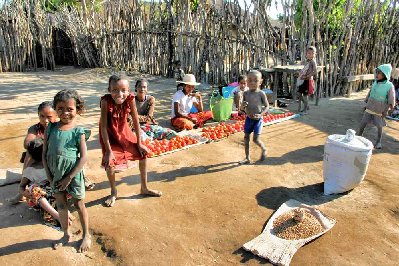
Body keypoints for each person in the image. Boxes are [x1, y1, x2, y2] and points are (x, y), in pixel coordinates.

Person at [100, 75, 162, 208]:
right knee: (109, 162)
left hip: (125, 131)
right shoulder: (105, 102)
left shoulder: (131, 99)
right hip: (110, 135)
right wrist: (108, 151)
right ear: (109, 90)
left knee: (143, 153)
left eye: (123, 90)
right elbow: (103, 127)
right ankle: (113, 192)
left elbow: (135, 122)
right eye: (115, 90)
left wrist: (139, 143)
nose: (119, 94)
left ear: (129, 91)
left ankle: (144, 188)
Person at [43, 89, 91, 252]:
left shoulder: (79, 131)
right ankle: (66, 234)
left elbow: (83, 157)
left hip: (73, 175)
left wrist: (69, 177)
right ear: (55, 109)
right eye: (60, 109)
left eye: (70, 109)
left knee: (79, 204)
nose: (65, 113)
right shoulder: (50, 128)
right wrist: (49, 175)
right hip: (55, 173)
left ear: (78, 109)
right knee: (61, 205)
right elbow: (44, 154)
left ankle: (86, 235)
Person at [9, 138, 73, 227]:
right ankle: (57, 215)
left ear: (30, 155)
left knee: (36, 188)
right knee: (34, 189)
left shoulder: (52, 165)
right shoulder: (30, 170)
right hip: (42, 200)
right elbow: (21, 187)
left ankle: (62, 210)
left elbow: (21, 187)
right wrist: (25, 193)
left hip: (56, 195)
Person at [357, 64, 396, 149]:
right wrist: (366, 103)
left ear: (385, 74)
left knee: (379, 126)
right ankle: (358, 137)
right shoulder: (375, 82)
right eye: (377, 72)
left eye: (379, 73)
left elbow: (391, 98)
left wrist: (388, 110)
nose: (377, 74)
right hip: (370, 108)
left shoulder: (389, 85)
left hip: (379, 110)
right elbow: (370, 93)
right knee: (363, 123)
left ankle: (378, 142)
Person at [239, 70, 269, 164]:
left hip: (258, 120)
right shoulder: (245, 94)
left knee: (256, 139)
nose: (252, 83)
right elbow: (241, 109)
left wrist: (261, 114)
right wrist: (243, 106)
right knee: (246, 137)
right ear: (246, 81)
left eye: (255, 80)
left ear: (260, 82)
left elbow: (267, 106)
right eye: (250, 80)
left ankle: (264, 149)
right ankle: (247, 158)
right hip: (249, 119)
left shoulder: (261, 94)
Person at [297, 46, 317, 114]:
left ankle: (305, 110)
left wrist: (307, 76)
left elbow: (315, 71)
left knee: (305, 96)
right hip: (303, 80)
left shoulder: (313, 62)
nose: (310, 55)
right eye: (308, 53)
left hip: (308, 81)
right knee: (299, 94)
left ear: (315, 54)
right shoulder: (307, 61)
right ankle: (307, 105)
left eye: (312, 53)